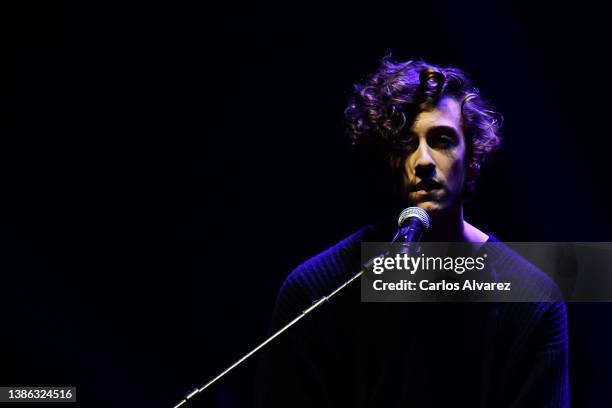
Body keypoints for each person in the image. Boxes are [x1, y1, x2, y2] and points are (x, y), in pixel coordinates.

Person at [256, 55, 569, 407]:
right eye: (406, 142)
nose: (423, 160)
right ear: (386, 158)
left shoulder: (531, 300)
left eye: (442, 140)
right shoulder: (314, 292)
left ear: (472, 158)